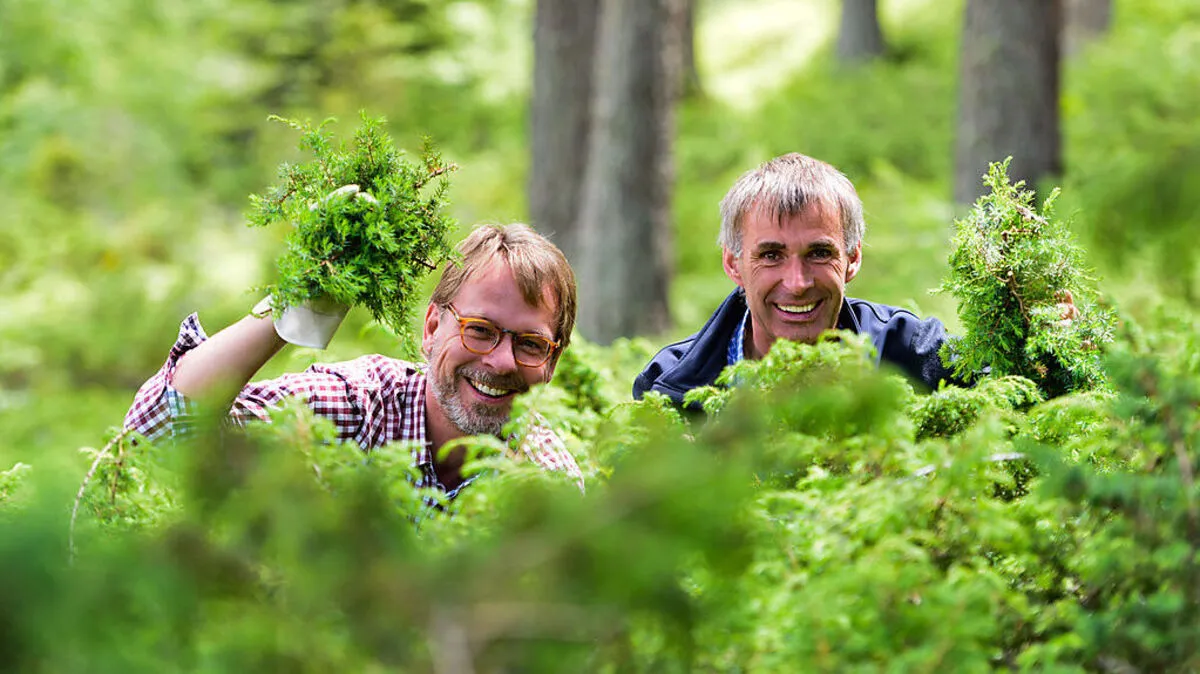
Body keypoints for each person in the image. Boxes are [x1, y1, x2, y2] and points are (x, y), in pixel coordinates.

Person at [125, 223, 583, 496]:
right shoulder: (359, 407)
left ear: (553, 360)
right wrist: (287, 310)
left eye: (529, 343)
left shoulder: (549, 483)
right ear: (430, 329)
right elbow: (160, 433)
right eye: (479, 330)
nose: (502, 361)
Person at [633, 152, 1076, 408]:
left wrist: (1045, 343)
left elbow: (1016, 392)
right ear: (734, 264)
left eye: (819, 253)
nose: (799, 281)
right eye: (770, 255)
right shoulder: (669, 387)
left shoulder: (909, 352)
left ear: (853, 258)